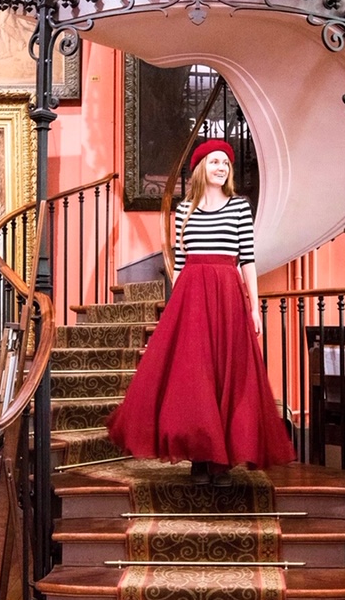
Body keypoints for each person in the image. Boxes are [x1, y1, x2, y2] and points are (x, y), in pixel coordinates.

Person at [105, 139, 294, 483]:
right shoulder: (184, 210)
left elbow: (248, 261)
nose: (221, 167)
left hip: (227, 296)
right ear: (201, 168)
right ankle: (199, 456)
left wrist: (253, 307)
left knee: (226, 374)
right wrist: (177, 307)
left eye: (226, 163)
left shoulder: (239, 208)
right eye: (214, 161)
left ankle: (222, 461)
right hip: (191, 297)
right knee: (195, 378)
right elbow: (179, 262)